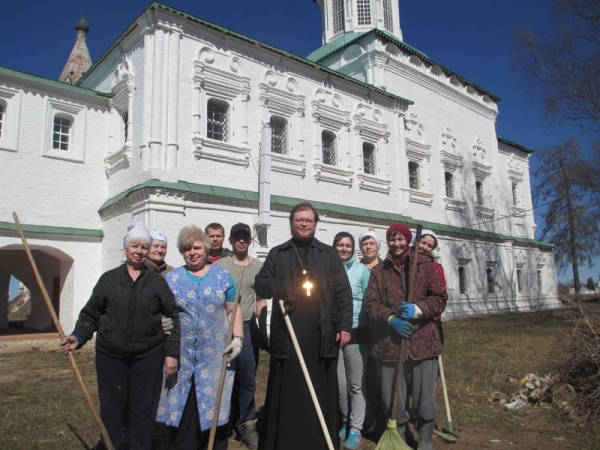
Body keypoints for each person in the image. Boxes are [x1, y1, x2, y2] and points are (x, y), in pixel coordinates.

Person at [60, 223, 180, 450]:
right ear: (125, 247)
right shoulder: (109, 279)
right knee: (112, 408)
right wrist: (78, 336)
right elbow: (91, 313)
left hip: (147, 356)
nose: (140, 251)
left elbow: (174, 316)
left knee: (143, 409)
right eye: (135, 245)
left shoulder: (156, 282)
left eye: (145, 247)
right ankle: (110, 446)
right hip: (110, 356)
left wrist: (171, 353)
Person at [255, 202, 353, 450]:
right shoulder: (279, 253)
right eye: (299, 219)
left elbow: (343, 292)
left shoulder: (328, 255)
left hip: (322, 335)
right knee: (290, 391)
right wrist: (275, 285)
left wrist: (344, 326)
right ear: (291, 223)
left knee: (320, 389)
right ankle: (286, 441)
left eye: (308, 220)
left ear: (315, 224)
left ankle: (319, 441)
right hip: (289, 334)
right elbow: (260, 283)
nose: (304, 223)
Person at [156, 225, 243, 450]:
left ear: (205, 249)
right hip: (181, 355)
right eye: (186, 249)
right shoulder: (172, 279)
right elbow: (163, 312)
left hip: (215, 355)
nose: (192, 252)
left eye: (196, 247)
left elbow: (232, 308)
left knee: (215, 403)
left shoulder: (223, 277)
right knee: (183, 404)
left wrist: (238, 338)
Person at [364, 223, 447, 450]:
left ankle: (426, 439)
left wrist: (417, 310)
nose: (397, 243)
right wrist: (391, 319)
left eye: (401, 239)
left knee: (424, 398)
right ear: (388, 241)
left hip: (422, 343)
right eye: (392, 239)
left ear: (408, 240)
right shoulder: (379, 271)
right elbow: (371, 304)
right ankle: (398, 438)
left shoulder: (426, 265)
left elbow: (439, 298)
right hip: (388, 345)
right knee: (393, 399)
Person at [214, 223, 266, 449]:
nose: (242, 240)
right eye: (237, 237)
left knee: (246, 378)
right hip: (223, 328)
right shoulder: (220, 266)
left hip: (247, 327)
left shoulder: (258, 267)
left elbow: (261, 299)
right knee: (225, 377)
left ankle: (246, 424)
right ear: (231, 240)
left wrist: (262, 327)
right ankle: (222, 421)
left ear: (250, 241)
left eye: (245, 237)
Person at [333, 232, 371, 450]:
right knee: (340, 385)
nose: (343, 249)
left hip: (357, 333)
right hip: (336, 333)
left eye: (347, 245)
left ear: (352, 249)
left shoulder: (362, 272)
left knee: (356, 385)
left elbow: (369, 300)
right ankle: (346, 422)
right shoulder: (330, 270)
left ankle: (356, 428)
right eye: (340, 245)